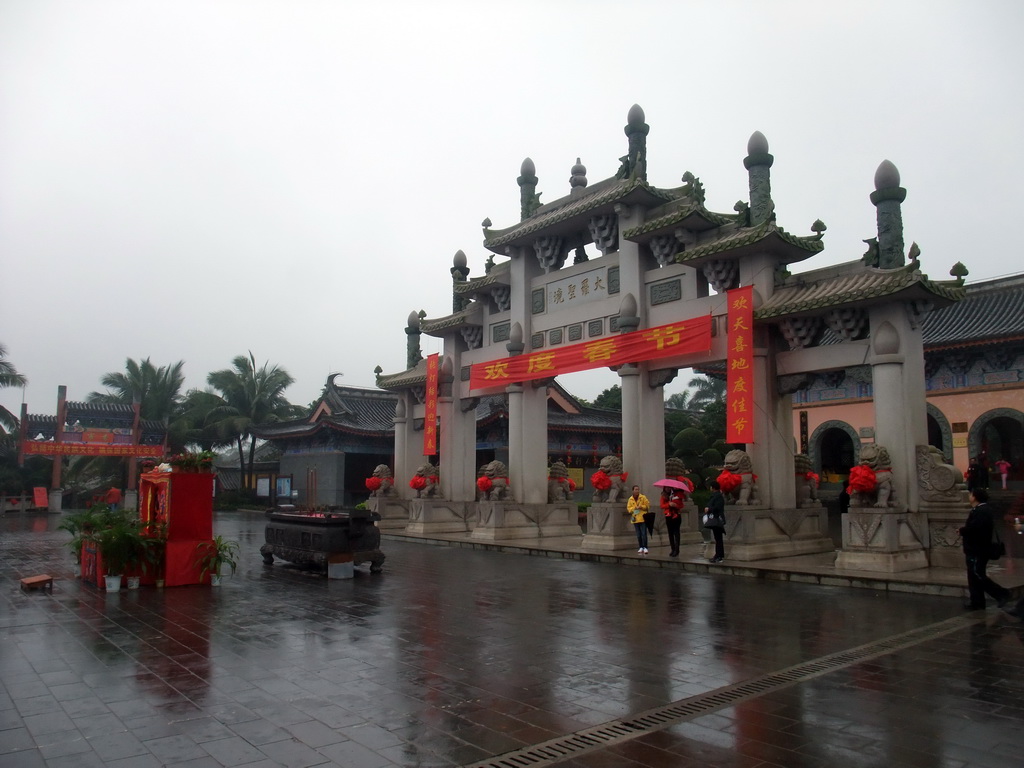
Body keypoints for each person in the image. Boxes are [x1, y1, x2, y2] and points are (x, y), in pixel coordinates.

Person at [959, 488, 1010, 610]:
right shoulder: (980, 510)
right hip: (975, 549)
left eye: (971, 494)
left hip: (978, 549)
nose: (969, 496)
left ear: (975, 497)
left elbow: (976, 529)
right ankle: (977, 602)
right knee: (973, 576)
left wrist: (962, 531)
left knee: (977, 574)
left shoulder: (982, 511)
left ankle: (1001, 593)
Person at [704, 480, 726, 563]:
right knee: (717, 538)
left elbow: (717, 507)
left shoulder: (718, 496)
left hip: (717, 519)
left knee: (718, 538)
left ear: (713, 488)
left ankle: (718, 555)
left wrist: (709, 509)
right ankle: (718, 555)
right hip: (715, 519)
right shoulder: (716, 496)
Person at [627, 485, 651, 554]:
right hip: (635, 518)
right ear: (633, 490)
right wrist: (634, 508)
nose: (637, 491)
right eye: (635, 489)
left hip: (642, 518)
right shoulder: (630, 499)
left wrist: (641, 507)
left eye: (638, 489)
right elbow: (629, 508)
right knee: (638, 534)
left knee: (644, 533)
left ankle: (645, 547)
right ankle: (641, 546)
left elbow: (647, 506)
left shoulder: (643, 497)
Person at [661, 486, 684, 557]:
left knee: (676, 533)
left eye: (669, 487)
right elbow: (662, 505)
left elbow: (681, 505)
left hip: (676, 515)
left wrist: (675, 505)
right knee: (670, 533)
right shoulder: (663, 495)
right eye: (666, 488)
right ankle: (672, 548)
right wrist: (668, 504)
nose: (667, 489)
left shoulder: (676, 494)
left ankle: (677, 549)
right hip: (668, 515)